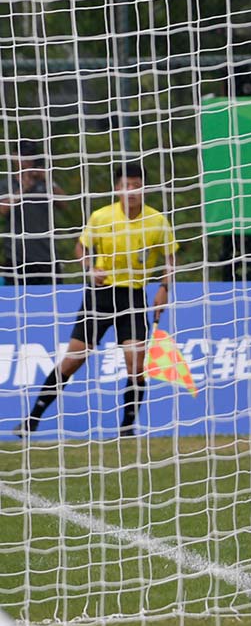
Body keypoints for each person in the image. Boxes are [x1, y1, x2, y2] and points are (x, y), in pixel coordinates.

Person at [14, 163, 176, 438]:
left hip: (133, 296)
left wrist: (164, 288)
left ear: (144, 189)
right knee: (73, 360)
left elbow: (170, 258)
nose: (131, 191)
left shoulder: (157, 220)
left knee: (136, 363)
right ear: (117, 188)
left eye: (137, 186)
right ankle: (32, 420)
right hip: (100, 296)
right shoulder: (102, 216)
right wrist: (90, 268)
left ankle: (127, 429)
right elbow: (81, 247)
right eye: (125, 186)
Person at [0, 142, 68, 285]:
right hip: (17, 256)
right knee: (16, 297)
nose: (27, 161)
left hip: (47, 255)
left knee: (53, 296)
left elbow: (64, 204)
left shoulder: (44, 183)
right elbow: (3, 210)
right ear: (14, 157)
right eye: (24, 156)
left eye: (31, 157)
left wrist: (48, 180)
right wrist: (23, 188)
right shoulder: (7, 184)